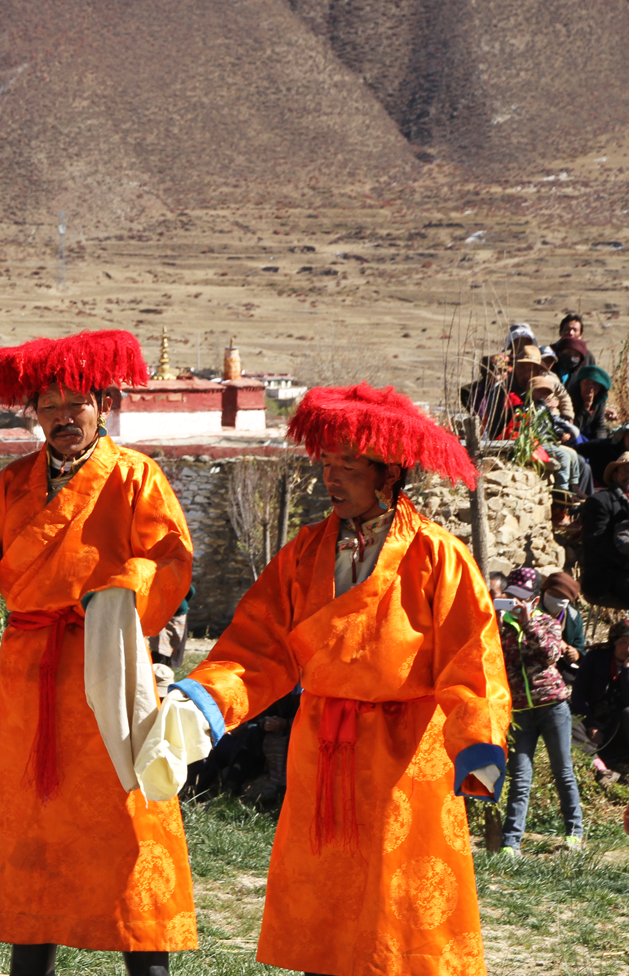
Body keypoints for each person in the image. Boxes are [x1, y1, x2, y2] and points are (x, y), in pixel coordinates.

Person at [173, 383, 510, 976]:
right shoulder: (304, 553)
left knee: (395, 912)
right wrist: (204, 700)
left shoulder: (437, 555)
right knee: (326, 904)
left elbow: (471, 659)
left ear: (388, 473)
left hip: (404, 756)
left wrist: (476, 742)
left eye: (348, 465)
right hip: (321, 746)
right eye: (326, 463)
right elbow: (258, 645)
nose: (332, 478)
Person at [0, 330, 196, 976]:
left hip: (110, 678)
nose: (65, 417)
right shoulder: (12, 487)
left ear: (104, 402)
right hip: (29, 684)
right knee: (35, 848)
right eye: (50, 406)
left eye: (78, 403)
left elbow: (169, 562)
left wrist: (120, 595)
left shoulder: (134, 479)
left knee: (131, 842)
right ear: (33, 413)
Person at [495, 568, 583, 853]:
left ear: (533, 599)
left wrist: (528, 622)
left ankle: (574, 834)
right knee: (519, 776)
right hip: (520, 709)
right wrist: (495, 625)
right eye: (510, 597)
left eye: (521, 598)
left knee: (563, 771)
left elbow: (550, 655)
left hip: (552, 705)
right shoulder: (498, 627)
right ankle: (511, 843)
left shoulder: (547, 622)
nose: (514, 602)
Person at [578, 452, 629, 633]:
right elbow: (595, 539)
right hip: (608, 572)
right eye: (625, 470)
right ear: (615, 475)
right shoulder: (599, 501)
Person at [572, 619, 629, 784]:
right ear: (614, 642)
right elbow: (579, 695)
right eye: (623, 642)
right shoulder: (595, 658)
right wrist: (590, 725)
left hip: (620, 730)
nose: (628, 648)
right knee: (567, 718)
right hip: (592, 724)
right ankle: (600, 767)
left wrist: (628, 668)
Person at [459, 354, 511, 439]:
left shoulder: (511, 393)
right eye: (493, 372)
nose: (497, 377)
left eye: (502, 372)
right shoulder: (476, 393)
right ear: (486, 374)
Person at [566, 365, 612, 445]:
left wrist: (601, 444)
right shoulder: (570, 397)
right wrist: (586, 406)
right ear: (580, 383)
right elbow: (573, 427)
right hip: (572, 436)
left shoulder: (598, 401)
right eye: (586, 383)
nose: (590, 388)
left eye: (594, 385)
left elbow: (599, 426)